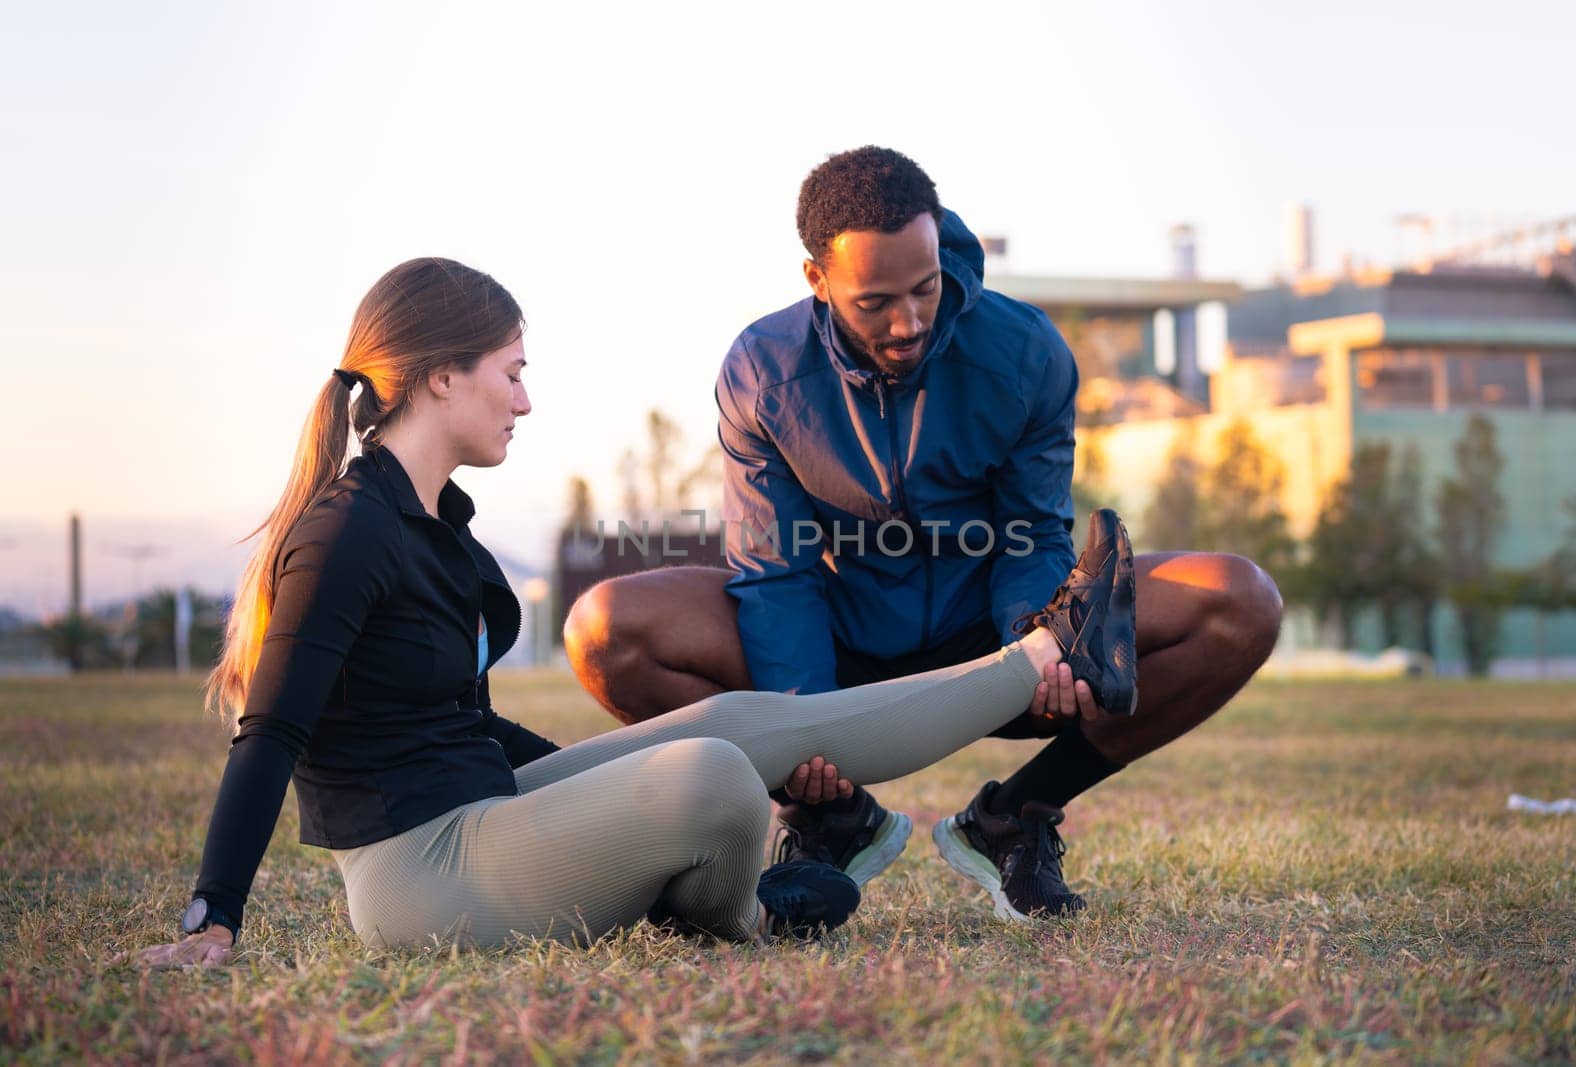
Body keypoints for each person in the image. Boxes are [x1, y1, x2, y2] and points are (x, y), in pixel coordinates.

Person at [131, 256, 1136, 968]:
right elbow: (270, 731)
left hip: (486, 809)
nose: (524, 400)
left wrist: (615, 772)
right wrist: (211, 915)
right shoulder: (347, 532)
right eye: (511, 371)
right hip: (418, 875)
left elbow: (460, 726)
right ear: (442, 375)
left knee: (733, 723)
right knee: (708, 773)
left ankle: (1052, 648)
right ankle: (738, 912)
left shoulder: (436, 527)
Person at [563, 146, 1284, 920]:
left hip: (990, 634)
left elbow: (1030, 532)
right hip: (840, 640)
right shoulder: (761, 372)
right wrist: (803, 719)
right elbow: (776, 569)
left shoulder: (1026, 351)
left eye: (926, 287)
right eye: (875, 302)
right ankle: (831, 819)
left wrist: (1037, 647)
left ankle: (1015, 819)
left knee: (1239, 600)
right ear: (819, 281)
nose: (907, 321)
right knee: (604, 629)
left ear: (940, 248)